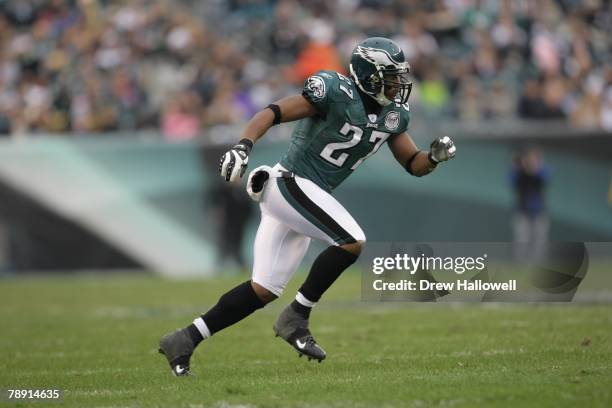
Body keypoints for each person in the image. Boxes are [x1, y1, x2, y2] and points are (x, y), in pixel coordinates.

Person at [158, 37, 456, 376]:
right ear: (366, 74)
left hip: (304, 195)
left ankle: (183, 339)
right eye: (389, 76)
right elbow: (273, 112)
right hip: (290, 182)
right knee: (351, 240)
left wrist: (433, 158)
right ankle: (296, 317)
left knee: (264, 289)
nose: (396, 84)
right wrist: (243, 146)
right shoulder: (334, 90)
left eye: (398, 76)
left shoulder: (394, 115)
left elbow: (412, 163)